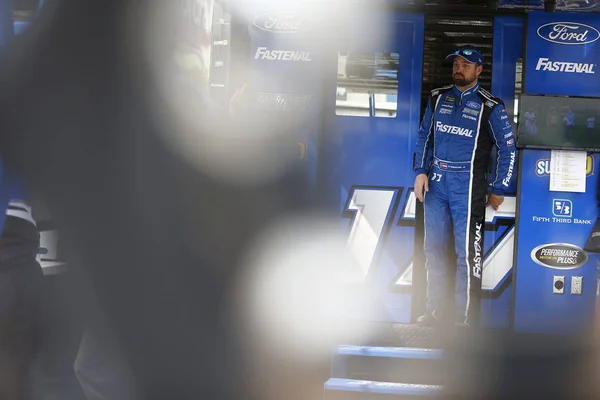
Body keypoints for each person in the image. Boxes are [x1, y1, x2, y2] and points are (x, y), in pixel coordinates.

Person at [413, 45, 516, 327]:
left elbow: (508, 148)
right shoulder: (437, 98)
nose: (459, 68)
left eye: (466, 65)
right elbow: (425, 137)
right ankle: (434, 312)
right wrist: (420, 171)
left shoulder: (490, 105)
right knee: (432, 248)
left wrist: (499, 187)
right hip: (435, 183)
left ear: (479, 70)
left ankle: (463, 318)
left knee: (466, 253)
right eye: (456, 64)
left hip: (468, 185)